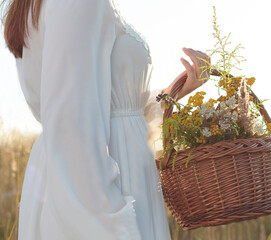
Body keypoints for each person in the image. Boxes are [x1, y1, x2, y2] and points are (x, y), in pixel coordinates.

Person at [1, 0, 210, 239]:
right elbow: (71, 123)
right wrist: (112, 219)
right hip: (106, 179)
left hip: (118, 174)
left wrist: (175, 91)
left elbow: (116, 110)